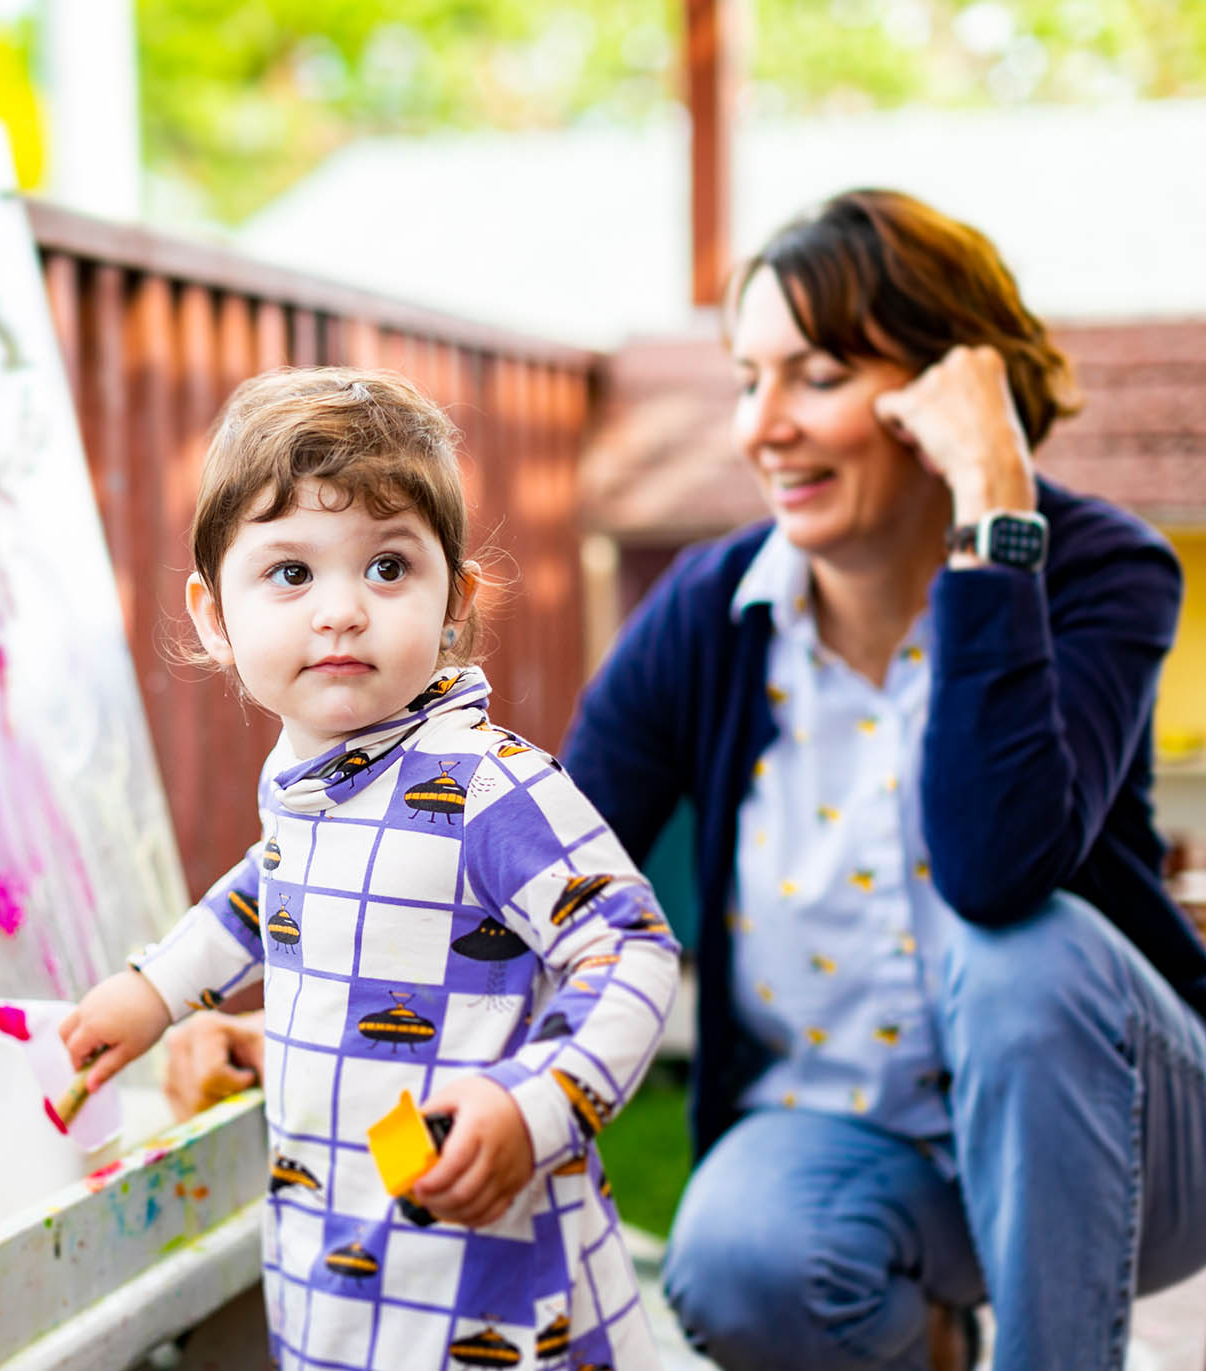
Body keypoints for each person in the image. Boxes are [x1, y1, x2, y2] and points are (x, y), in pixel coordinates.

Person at [558, 189, 1206, 1371]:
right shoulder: (707, 614)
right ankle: (930, 1342)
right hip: (849, 1152)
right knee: (743, 1260)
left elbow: (996, 862)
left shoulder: (1102, 569)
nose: (762, 428)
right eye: (746, 381)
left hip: (1130, 1141)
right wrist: (285, 1008)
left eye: (812, 377)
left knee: (1023, 953)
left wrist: (994, 512)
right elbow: (544, 877)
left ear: (951, 389)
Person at [60, 368, 681, 1370]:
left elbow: (633, 949)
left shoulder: (487, 786)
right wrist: (154, 991)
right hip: (338, 1261)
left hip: (490, 1277)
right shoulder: (309, 780)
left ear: (453, 603)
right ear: (214, 614)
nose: (342, 610)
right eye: (291, 574)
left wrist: (536, 1103)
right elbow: (264, 893)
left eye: (387, 568)